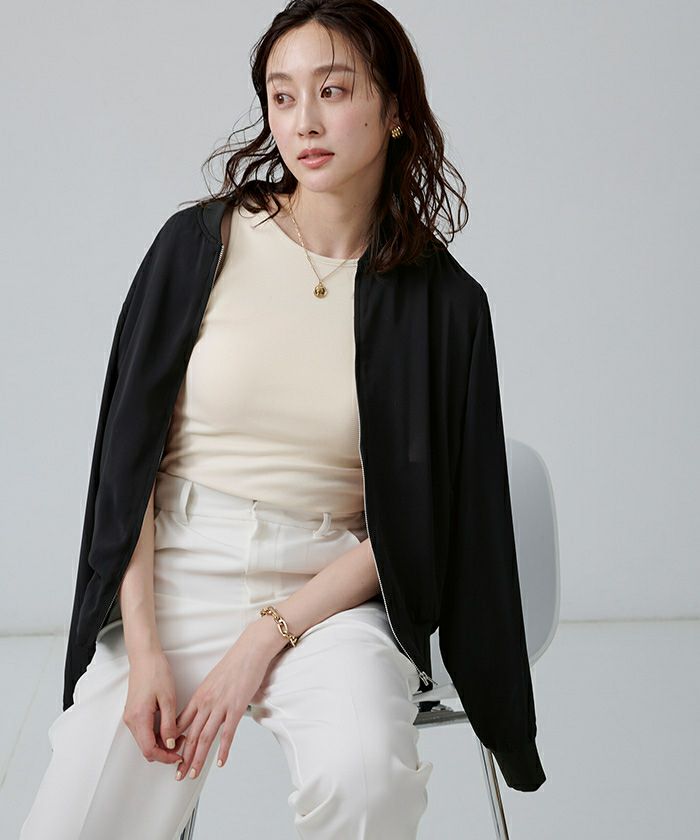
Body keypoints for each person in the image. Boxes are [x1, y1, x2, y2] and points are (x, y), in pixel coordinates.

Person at [21, 1, 546, 838]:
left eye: (332, 90)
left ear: (394, 107)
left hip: (331, 593)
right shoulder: (199, 244)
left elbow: (423, 526)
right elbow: (127, 469)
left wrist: (265, 636)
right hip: (174, 573)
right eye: (282, 94)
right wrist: (146, 647)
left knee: (367, 780)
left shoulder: (445, 305)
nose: (304, 121)